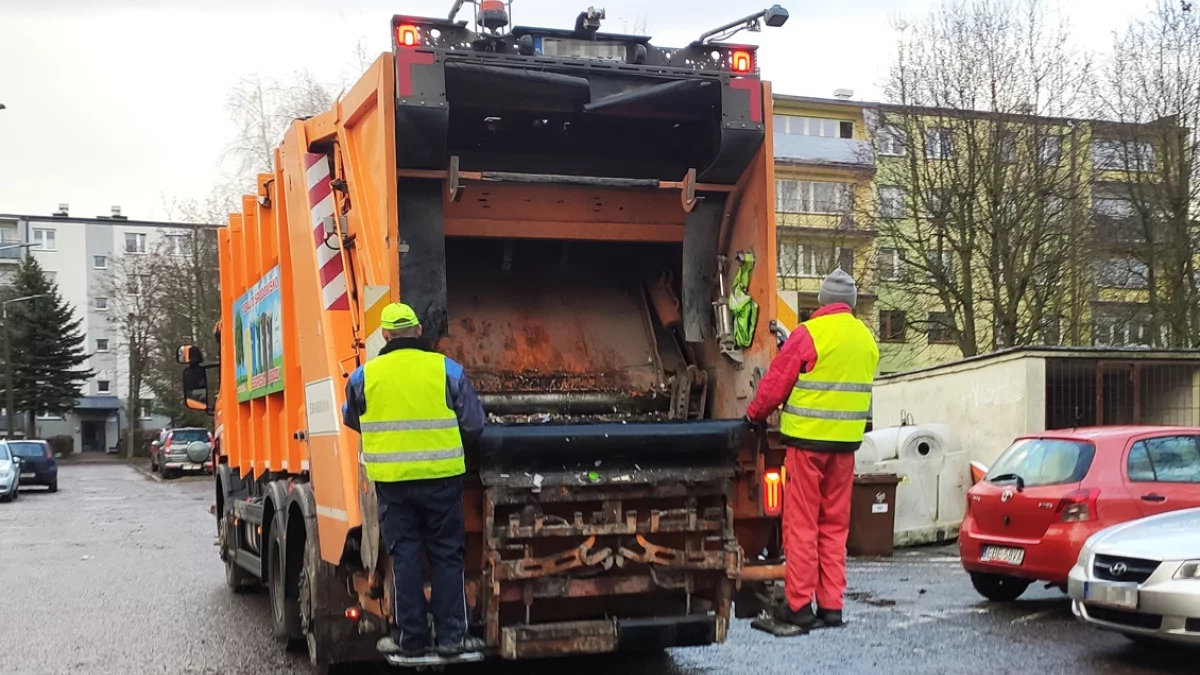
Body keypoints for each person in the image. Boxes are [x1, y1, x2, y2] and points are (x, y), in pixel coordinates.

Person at [341, 302, 486, 657]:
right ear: (419, 331)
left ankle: (412, 638)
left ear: (386, 335)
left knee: (403, 555)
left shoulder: (363, 376)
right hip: (442, 480)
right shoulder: (448, 370)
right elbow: (475, 424)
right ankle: (452, 638)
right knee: (447, 555)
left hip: (393, 484)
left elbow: (351, 418)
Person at [745, 269, 879, 632]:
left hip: (807, 445)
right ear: (850, 304)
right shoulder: (866, 339)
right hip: (845, 447)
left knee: (802, 524)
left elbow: (776, 383)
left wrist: (753, 415)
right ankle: (831, 607)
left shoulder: (810, 334)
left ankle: (799, 606)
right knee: (834, 527)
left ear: (822, 301)